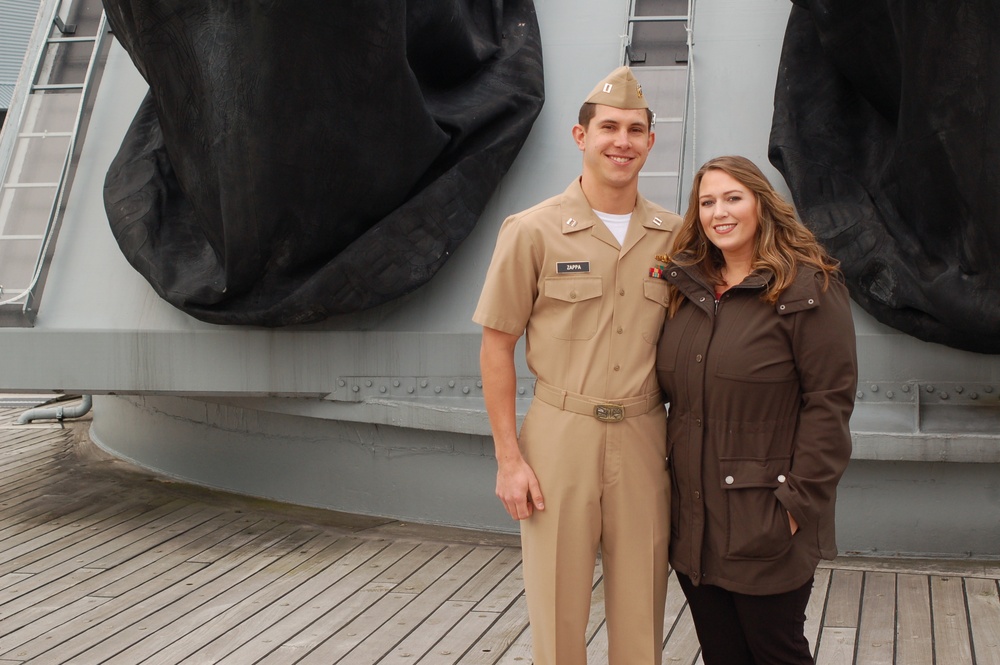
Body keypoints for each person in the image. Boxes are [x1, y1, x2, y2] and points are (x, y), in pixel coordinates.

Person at [473, 66, 682, 665]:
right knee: (558, 608)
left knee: (642, 605)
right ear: (580, 136)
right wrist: (509, 460)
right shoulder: (531, 232)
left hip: (645, 434)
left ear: (649, 141)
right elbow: (496, 347)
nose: (622, 141)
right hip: (559, 435)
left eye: (635, 130)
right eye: (609, 127)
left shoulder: (674, 238)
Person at [655, 155, 857, 665]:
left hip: (766, 517)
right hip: (695, 521)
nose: (718, 212)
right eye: (706, 202)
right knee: (723, 655)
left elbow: (829, 404)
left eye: (732, 198)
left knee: (776, 652)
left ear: (762, 205)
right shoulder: (686, 290)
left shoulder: (808, 290)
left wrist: (794, 504)